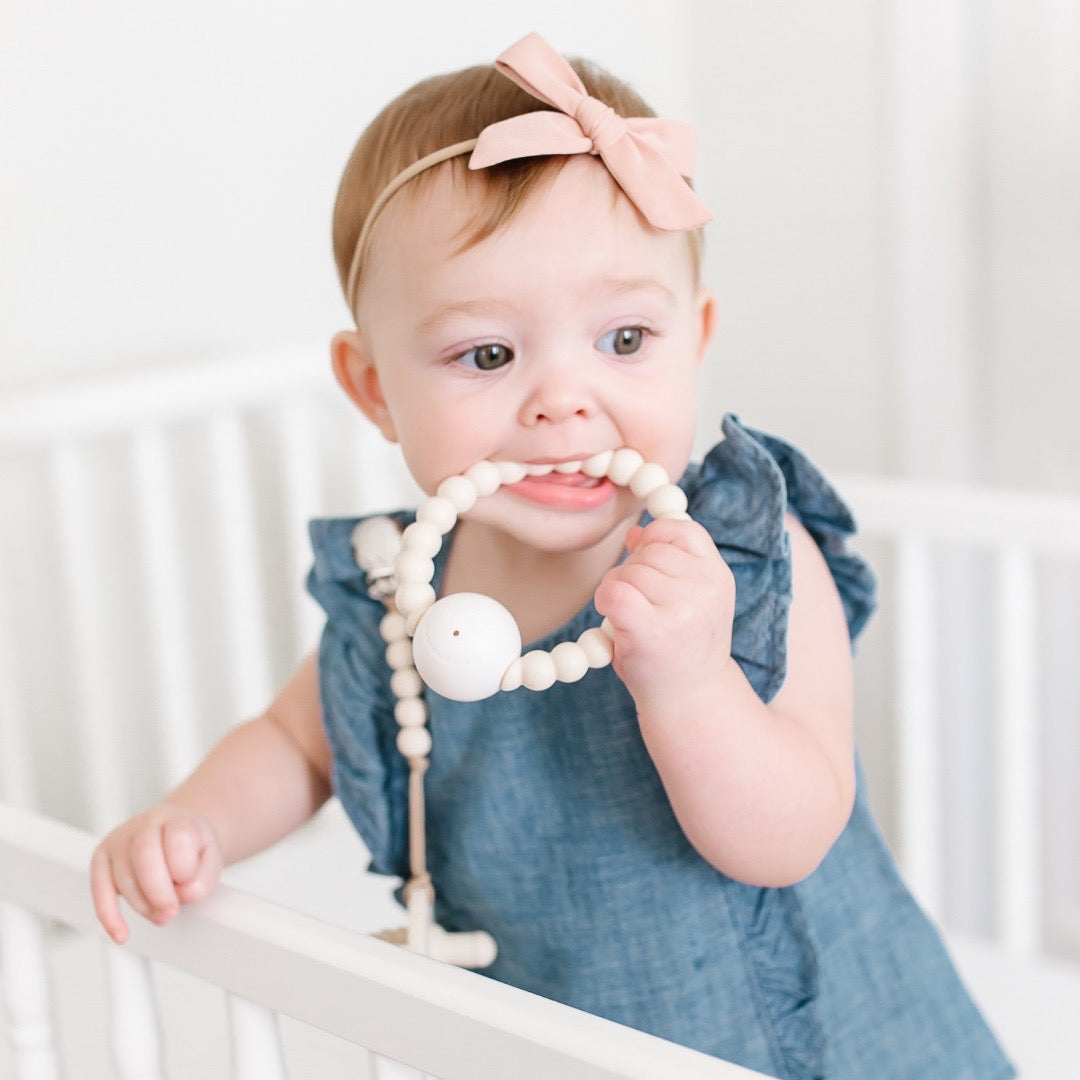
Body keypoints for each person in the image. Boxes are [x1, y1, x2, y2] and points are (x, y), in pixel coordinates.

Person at [90, 32, 1013, 1079]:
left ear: (696, 339)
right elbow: (295, 745)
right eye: (488, 353)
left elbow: (790, 834)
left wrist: (694, 682)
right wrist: (191, 821)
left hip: (797, 1045)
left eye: (624, 341)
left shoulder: (746, 557)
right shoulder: (403, 597)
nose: (563, 397)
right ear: (375, 389)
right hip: (554, 1047)